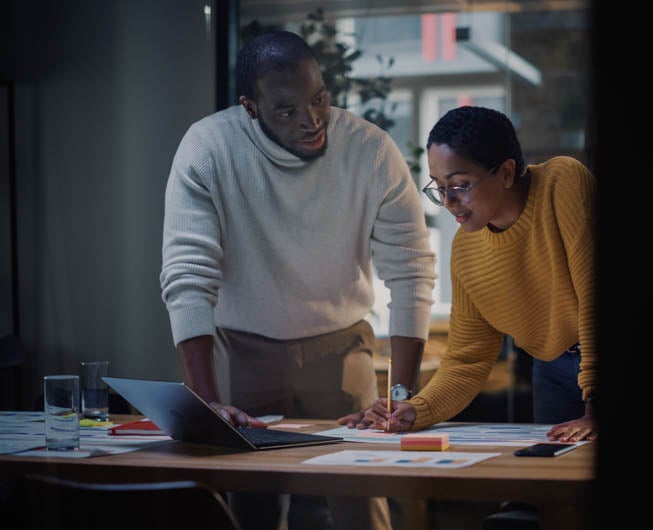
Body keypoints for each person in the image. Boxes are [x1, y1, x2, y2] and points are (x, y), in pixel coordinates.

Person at [160, 30, 436, 530]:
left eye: (319, 100)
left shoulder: (371, 150)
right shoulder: (208, 148)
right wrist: (204, 401)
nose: (311, 121)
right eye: (286, 111)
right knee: (249, 509)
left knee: (361, 500)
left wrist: (400, 399)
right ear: (250, 106)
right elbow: (187, 273)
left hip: (342, 348)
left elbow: (412, 270)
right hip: (241, 349)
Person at [339, 105, 597, 443]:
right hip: (551, 369)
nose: (447, 202)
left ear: (506, 173)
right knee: (556, 485)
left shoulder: (562, 182)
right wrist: (415, 409)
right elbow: (468, 358)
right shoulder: (466, 248)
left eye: (459, 185)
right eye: (438, 187)